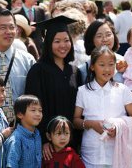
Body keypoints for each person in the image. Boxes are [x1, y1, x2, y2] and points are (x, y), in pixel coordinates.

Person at [73, 45, 132, 168]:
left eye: (111, 64)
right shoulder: (83, 91)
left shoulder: (122, 90)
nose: (107, 69)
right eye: (102, 65)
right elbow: (76, 120)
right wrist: (91, 124)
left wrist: (119, 126)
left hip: (116, 152)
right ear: (92, 67)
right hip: (91, 153)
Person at [25, 16, 82, 158]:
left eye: (66, 40)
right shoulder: (38, 71)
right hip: (48, 145)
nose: (63, 45)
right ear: (49, 43)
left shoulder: (75, 71)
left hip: (71, 140)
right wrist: (45, 140)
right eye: (57, 41)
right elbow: (32, 108)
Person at [0, 7, 35, 124]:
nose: (8, 32)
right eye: (3, 28)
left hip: (22, 127)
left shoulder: (27, 60)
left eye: (11, 27)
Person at [3, 95, 42, 168]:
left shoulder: (37, 134)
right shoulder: (16, 139)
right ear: (20, 114)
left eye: (40, 110)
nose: (38, 114)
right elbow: (11, 165)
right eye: (33, 110)